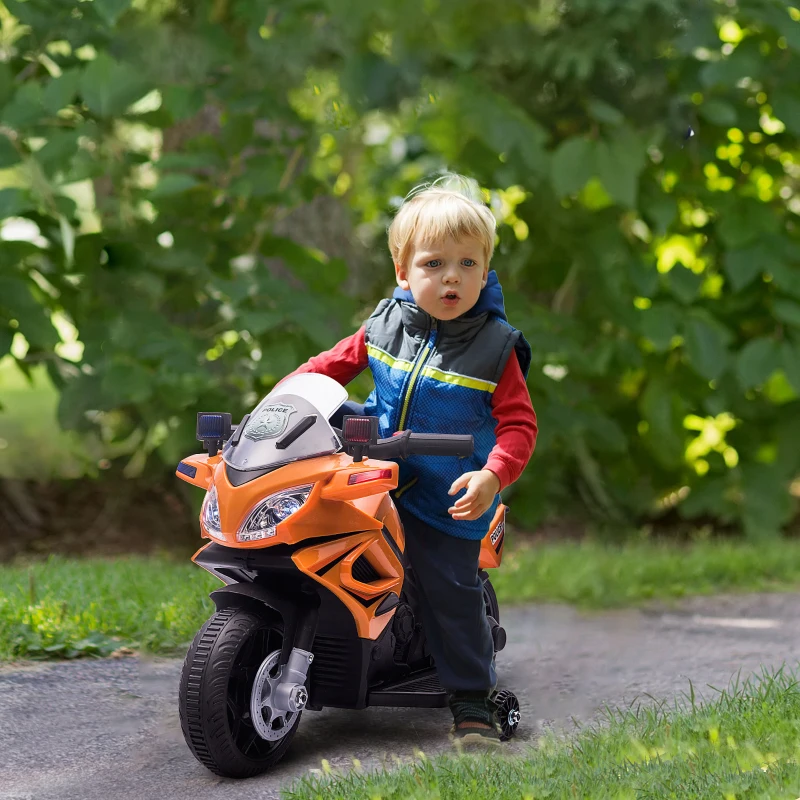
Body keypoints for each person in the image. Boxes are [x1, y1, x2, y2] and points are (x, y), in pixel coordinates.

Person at [281, 174, 537, 744]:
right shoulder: (383, 324)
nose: (452, 276)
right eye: (435, 263)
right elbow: (326, 368)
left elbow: (519, 425)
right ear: (403, 270)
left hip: (443, 493)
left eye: (468, 264)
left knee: (450, 586)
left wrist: (492, 474)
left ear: (486, 270)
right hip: (368, 475)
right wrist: (286, 399)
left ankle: (472, 698)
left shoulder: (495, 347)